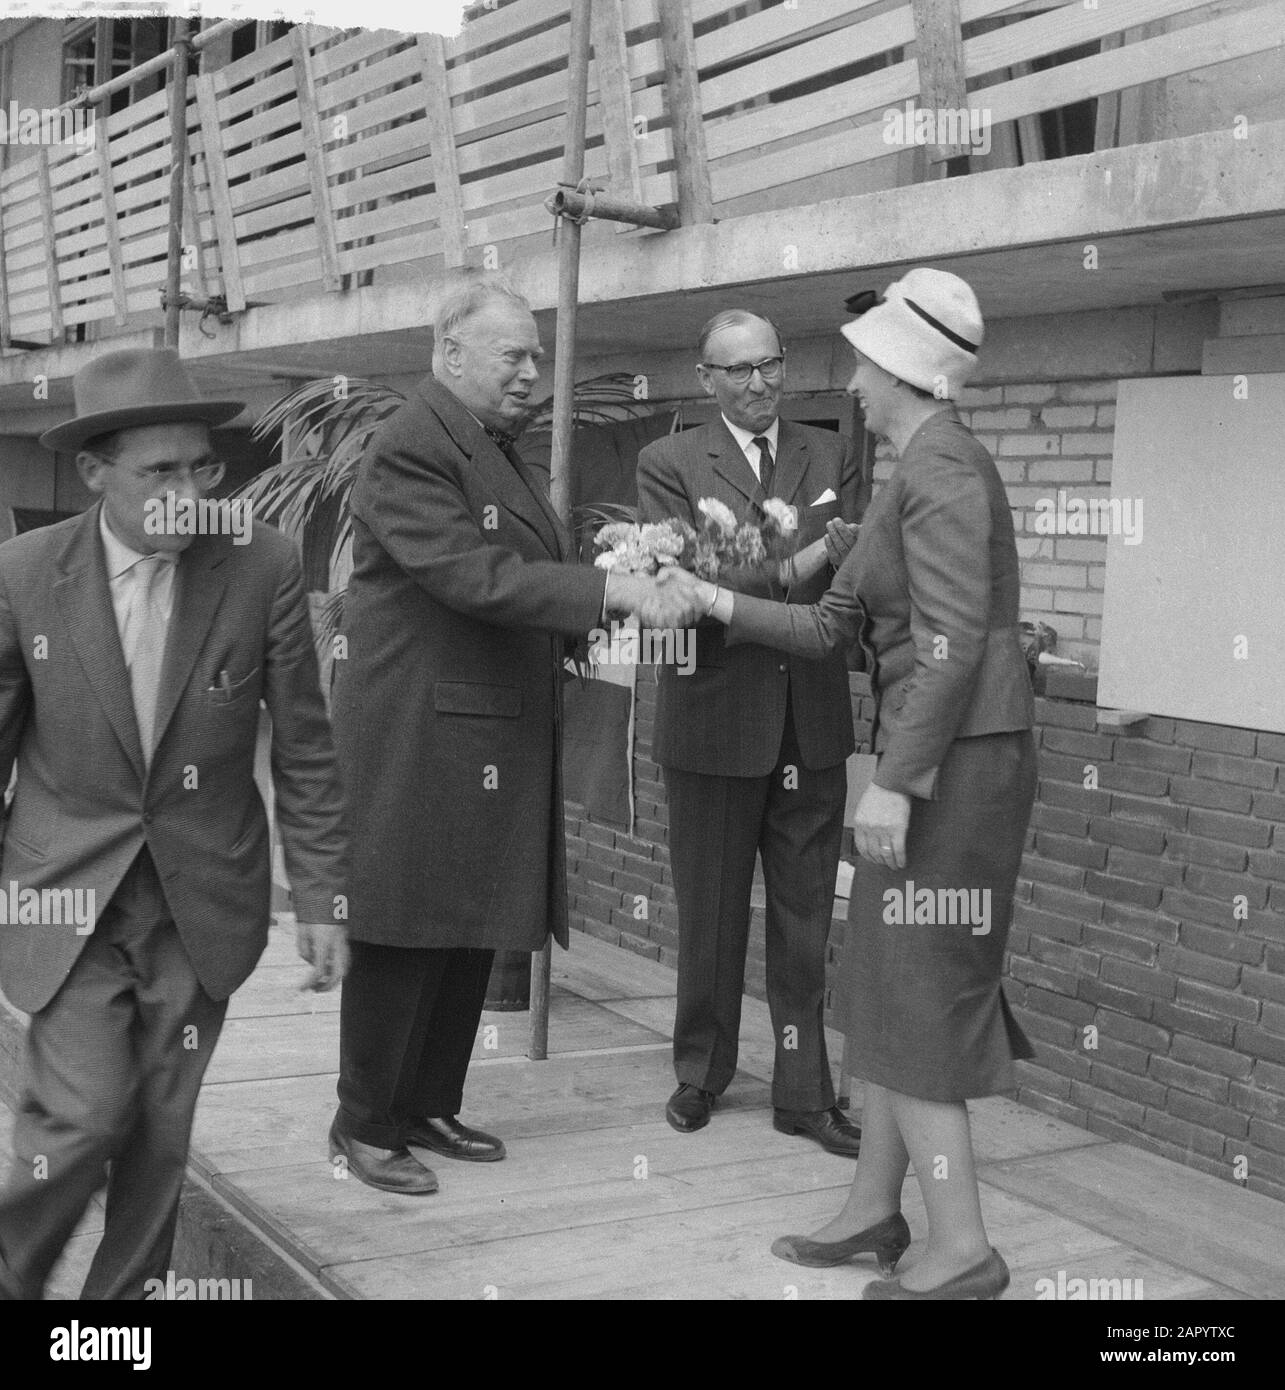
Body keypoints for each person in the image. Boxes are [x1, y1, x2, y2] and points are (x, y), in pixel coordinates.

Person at [663, 268, 1036, 1298]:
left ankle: (960, 1244)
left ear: (903, 369)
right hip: (934, 757)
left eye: (866, 366)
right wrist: (704, 592)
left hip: (956, 767)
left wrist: (896, 785)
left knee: (919, 992)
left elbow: (953, 647)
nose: (854, 386)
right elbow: (830, 626)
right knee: (882, 983)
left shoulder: (945, 467)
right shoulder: (903, 467)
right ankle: (879, 1209)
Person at [329, 274, 698, 1195]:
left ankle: (426, 1103)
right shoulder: (410, 444)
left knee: (466, 926)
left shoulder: (489, 443)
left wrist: (601, 592)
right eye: (516, 355)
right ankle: (363, 1122)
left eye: (536, 355)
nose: (534, 372)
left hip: (481, 729)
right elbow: (472, 576)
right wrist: (607, 590)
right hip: (424, 732)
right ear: (449, 355)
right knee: (405, 931)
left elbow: (522, 571)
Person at [0, 347, 348, 1300]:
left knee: (159, 1129)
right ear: (93, 472)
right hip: (63, 897)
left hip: (201, 897)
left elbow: (306, 744)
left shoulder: (263, 564)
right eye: (158, 472)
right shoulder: (25, 574)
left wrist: (320, 893)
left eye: (203, 468)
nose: (187, 494)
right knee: (79, 1119)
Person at [636, 309, 865, 1155]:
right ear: (706, 381)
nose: (759, 383)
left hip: (810, 722)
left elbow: (856, 564)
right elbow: (686, 580)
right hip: (712, 721)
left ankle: (803, 1093)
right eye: (737, 371)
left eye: (770, 363)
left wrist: (791, 570)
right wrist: (799, 565)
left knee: (805, 920)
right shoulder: (667, 462)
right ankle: (700, 1073)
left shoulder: (829, 450)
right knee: (711, 912)